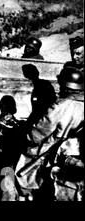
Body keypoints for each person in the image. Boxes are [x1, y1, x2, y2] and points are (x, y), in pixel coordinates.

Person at [14, 67, 84, 201]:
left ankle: (26, 195)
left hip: (51, 150)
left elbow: (39, 133)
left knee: (22, 167)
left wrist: (26, 137)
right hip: (75, 151)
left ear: (65, 85)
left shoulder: (61, 105)